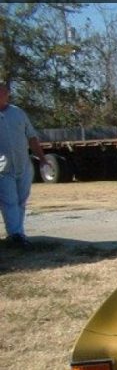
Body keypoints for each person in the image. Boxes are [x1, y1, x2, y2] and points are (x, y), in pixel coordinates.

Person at [0, 81, 49, 249]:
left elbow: (32, 137)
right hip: (2, 168)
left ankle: (18, 233)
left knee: (21, 200)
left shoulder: (18, 113)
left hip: (23, 165)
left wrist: (42, 158)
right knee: (9, 200)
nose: (2, 95)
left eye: (4, 92)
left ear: (8, 94)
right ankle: (15, 234)